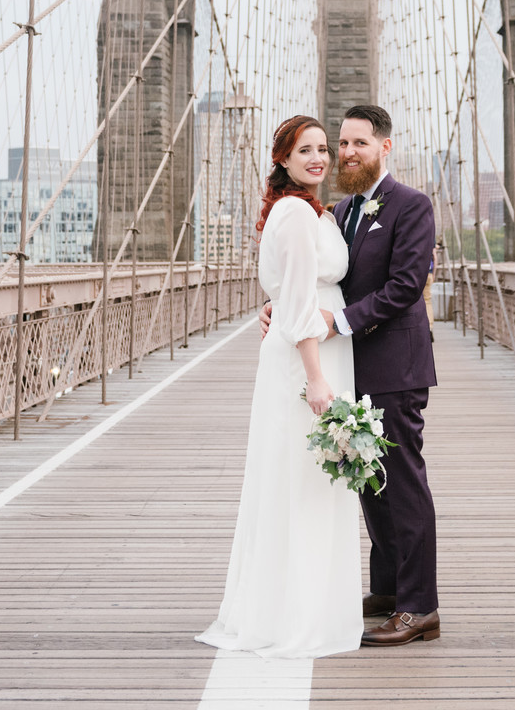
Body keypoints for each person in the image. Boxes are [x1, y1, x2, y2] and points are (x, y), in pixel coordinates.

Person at [260, 104, 440, 647]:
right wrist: (278, 307)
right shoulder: (338, 212)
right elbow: (311, 278)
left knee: (403, 483)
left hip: (395, 364)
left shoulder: (412, 206)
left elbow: (406, 286)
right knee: (370, 482)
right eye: (341, 144)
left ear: (386, 146)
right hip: (352, 367)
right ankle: (387, 588)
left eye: (358, 143)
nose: (346, 153)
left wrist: (336, 320)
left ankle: (419, 606)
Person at [197, 115, 362, 658]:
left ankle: (299, 605)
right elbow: (293, 301)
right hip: (306, 364)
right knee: (304, 484)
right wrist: (316, 380)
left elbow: (289, 291)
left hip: (315, 353)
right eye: (305, 150)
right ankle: (298, 615)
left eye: (324, 149)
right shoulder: (294, 212)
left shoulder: (311, 211)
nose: (319, 158)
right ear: (283, 161)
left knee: (308, 483)